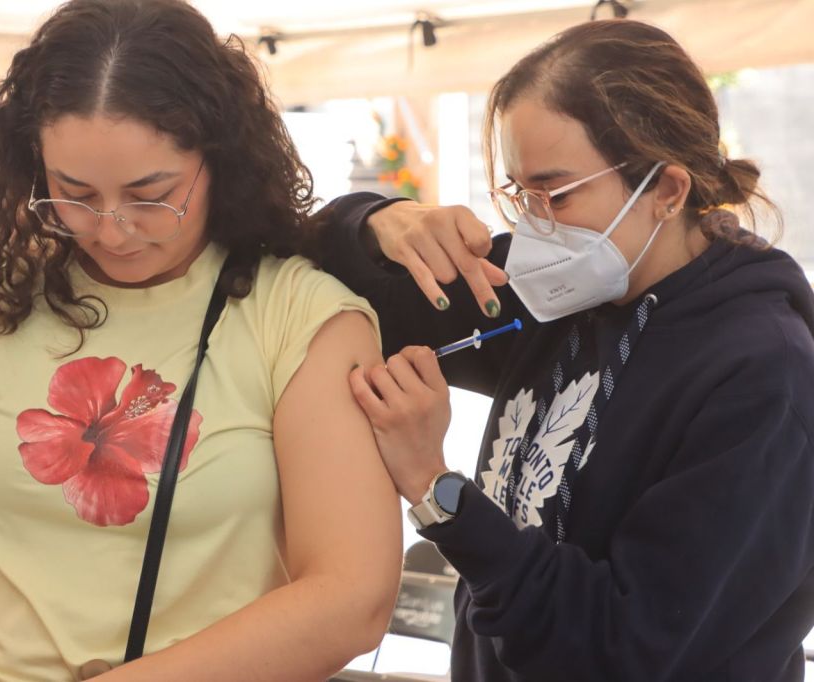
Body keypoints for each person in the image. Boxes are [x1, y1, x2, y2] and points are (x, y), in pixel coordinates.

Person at [0, 1, 402, 680]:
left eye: (150, 194)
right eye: (73, 193)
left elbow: (350, 595)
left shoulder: (305, 318)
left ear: (221, 159)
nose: (110, 228)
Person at [318, 18, 814, 682]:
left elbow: (619, 650)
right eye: (518, 193)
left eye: (554, 193)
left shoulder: (764, 379)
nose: (532, 226)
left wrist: (435, 488)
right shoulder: (557, 288)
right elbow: (306, 264)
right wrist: (381, 221)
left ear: (667, 191)